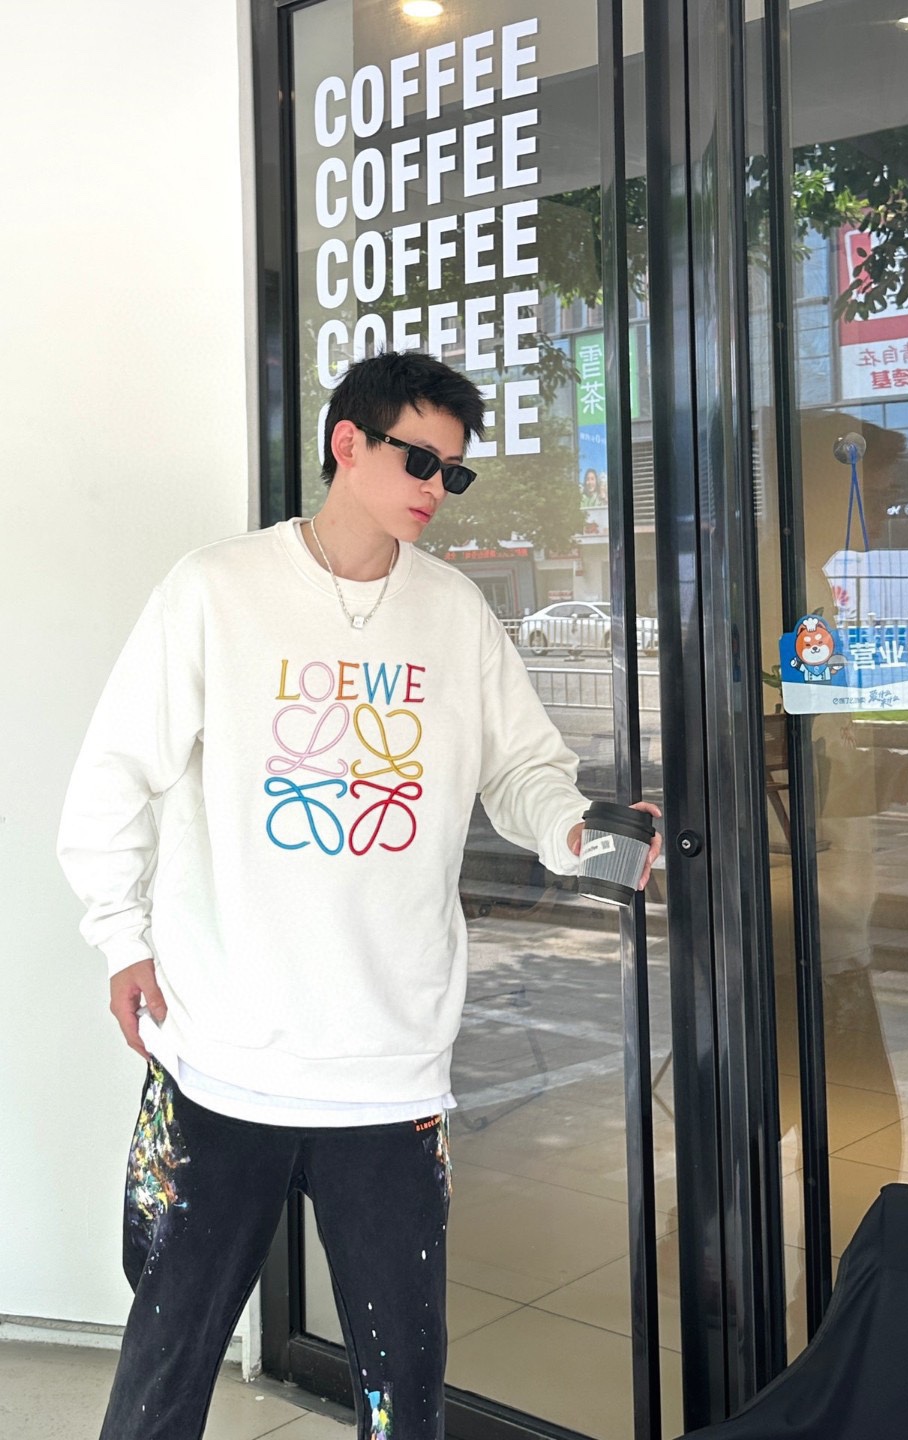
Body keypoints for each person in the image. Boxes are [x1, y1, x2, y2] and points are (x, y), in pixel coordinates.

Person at [57, 350, 661, 1440]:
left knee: (404, 1395)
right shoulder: (217, 590)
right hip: (222, 1055)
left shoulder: (456, 615)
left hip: (389, 1072)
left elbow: (523, 770)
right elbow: (114, 772)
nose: (438, 488)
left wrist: (574, 832)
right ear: (348, 443)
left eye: (454, 473)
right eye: (420, 460)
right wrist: (119, 936)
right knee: (163, 1378)